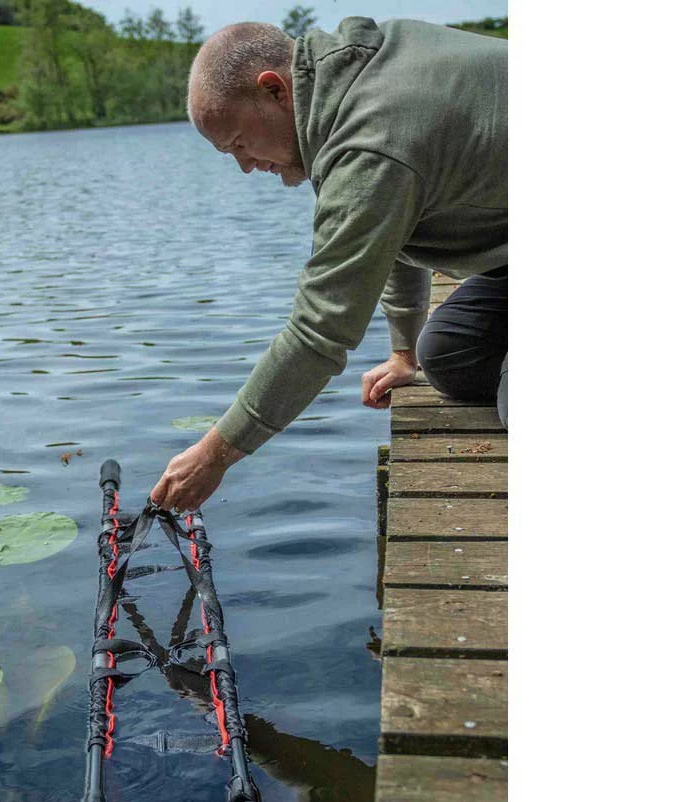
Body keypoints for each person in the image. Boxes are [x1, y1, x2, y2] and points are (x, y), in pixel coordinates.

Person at [150, 17, 507, 513]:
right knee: (447, 356)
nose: (246, 166)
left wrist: (215, 454)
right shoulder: (355, 78)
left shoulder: (370, 139)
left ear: (274, 90)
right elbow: (396, 223)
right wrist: (405, 353)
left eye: (238, 143)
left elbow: (320, 330)